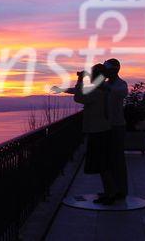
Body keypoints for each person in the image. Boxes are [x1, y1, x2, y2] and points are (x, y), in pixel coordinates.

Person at [52, 64, 116, 204]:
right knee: (104, 164)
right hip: (103, 129)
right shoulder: (103, 89)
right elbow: (79, 92)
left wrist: (80, 80)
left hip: (98, 131)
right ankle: (109, 192)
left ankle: (110, 194)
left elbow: (79, 97)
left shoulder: (96, 92)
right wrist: (63, 89)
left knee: (102, 165)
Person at [103, 58, 129, 199]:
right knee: (108, 160)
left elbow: (122, 93)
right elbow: (85, 91)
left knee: (118, 159)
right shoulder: (105, 85)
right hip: (106, 127)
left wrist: (105, 87)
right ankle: (112, 189)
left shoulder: (121, 84)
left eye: (107, 69)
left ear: (114, 70)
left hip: (117, 126)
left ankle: (121, 190)